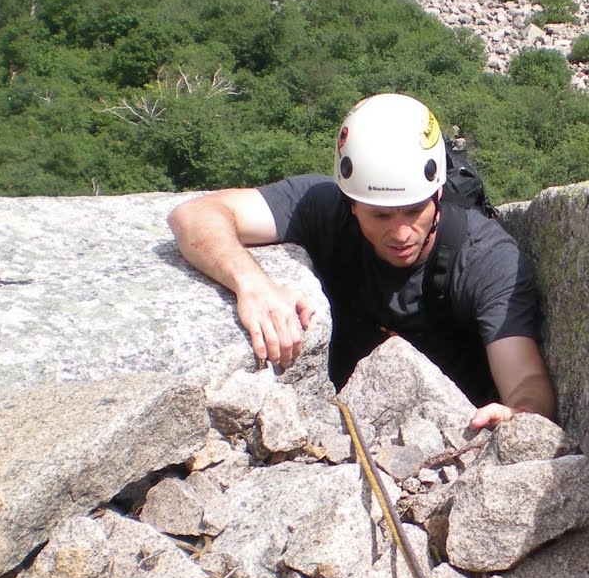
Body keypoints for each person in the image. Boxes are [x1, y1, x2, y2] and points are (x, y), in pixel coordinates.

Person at [168, 92, 556, 430]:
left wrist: (520, 416)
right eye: (381, 215)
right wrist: (252, 284)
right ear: (351, 202)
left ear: (438, 195)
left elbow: (525, 378)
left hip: (452, 429)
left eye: (414, 210)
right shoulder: (321, 206)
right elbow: (194, 216)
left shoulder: (485, 255)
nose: (402, 232)